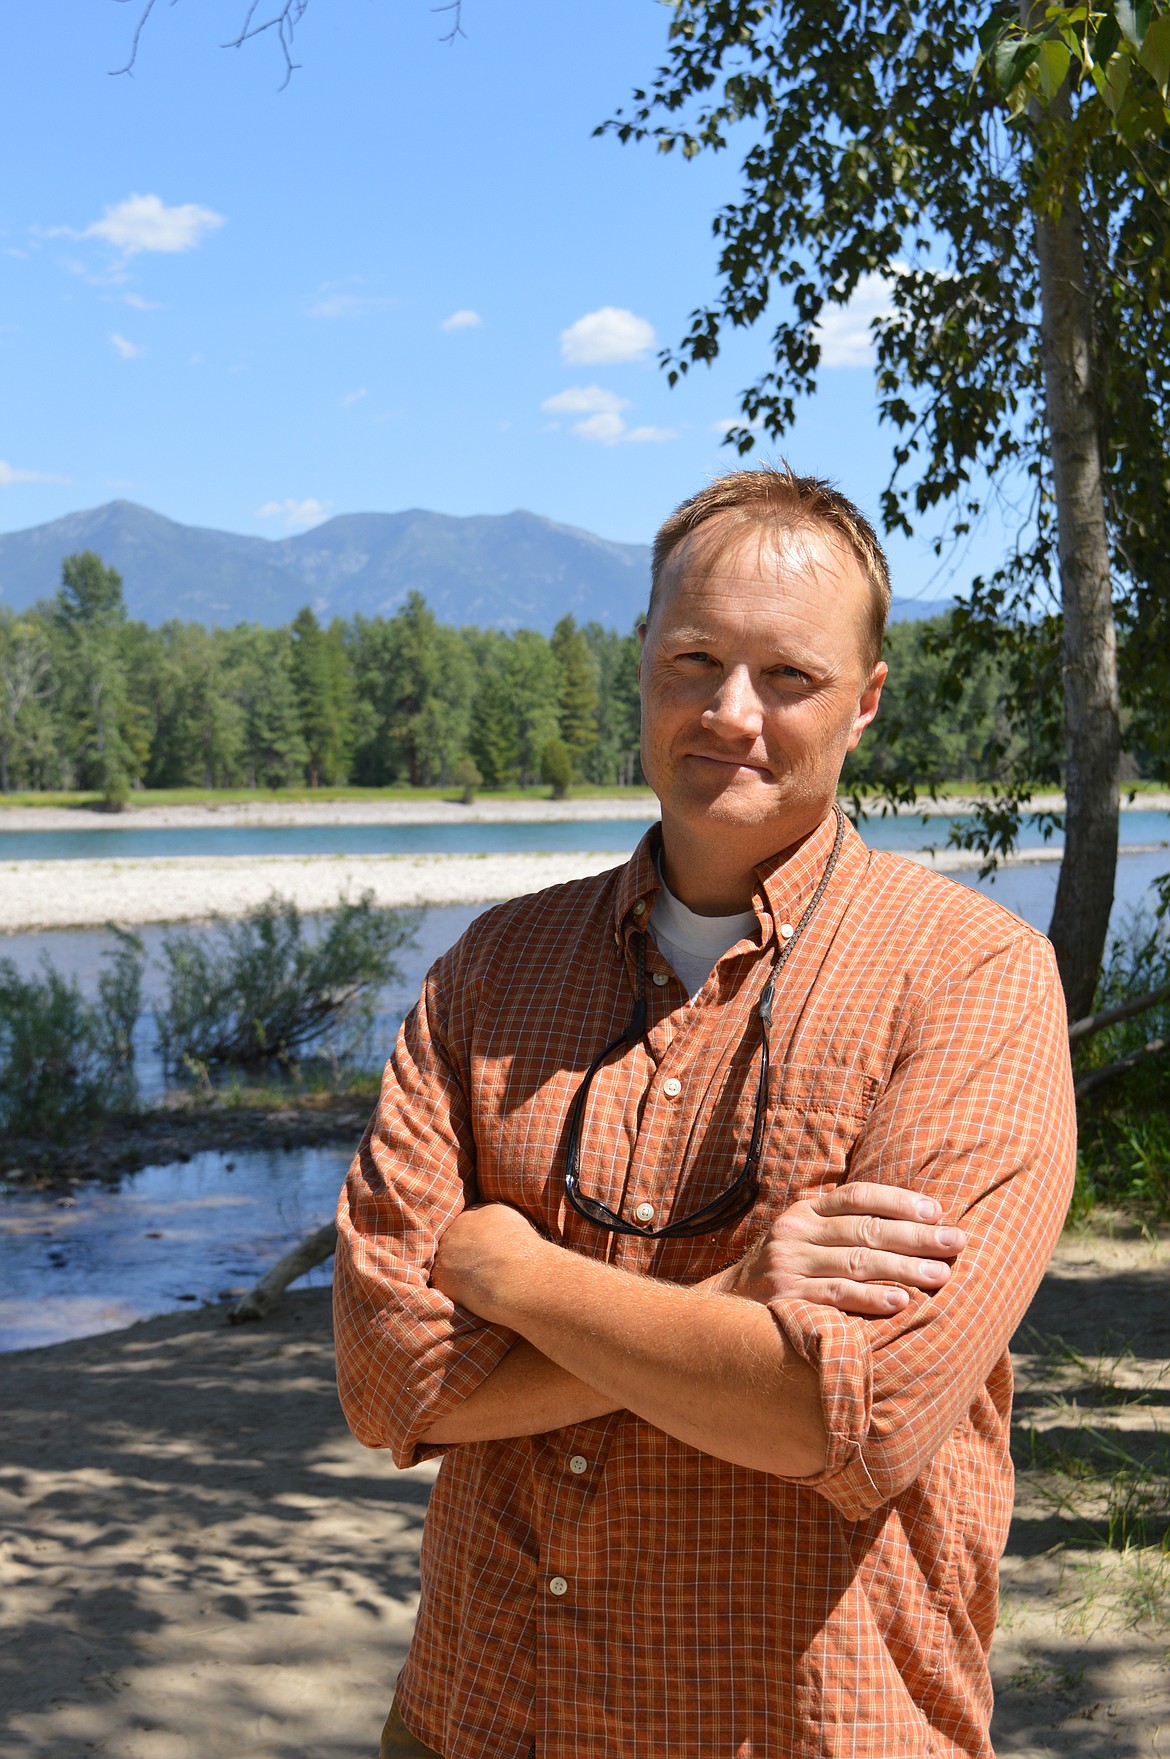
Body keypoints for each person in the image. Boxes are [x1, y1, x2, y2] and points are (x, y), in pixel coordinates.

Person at [334, 466, 1076, 1759]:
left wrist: (506, 1272)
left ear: (865, 704)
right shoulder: (493, 970)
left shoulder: (969, 979)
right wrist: (734, 1316)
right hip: (475, 1713)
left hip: (798, 1729)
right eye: (693, 659)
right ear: (642, 668)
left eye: (787, 676)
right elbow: (391, 1379)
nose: (730, 712)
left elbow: (848, 1419)